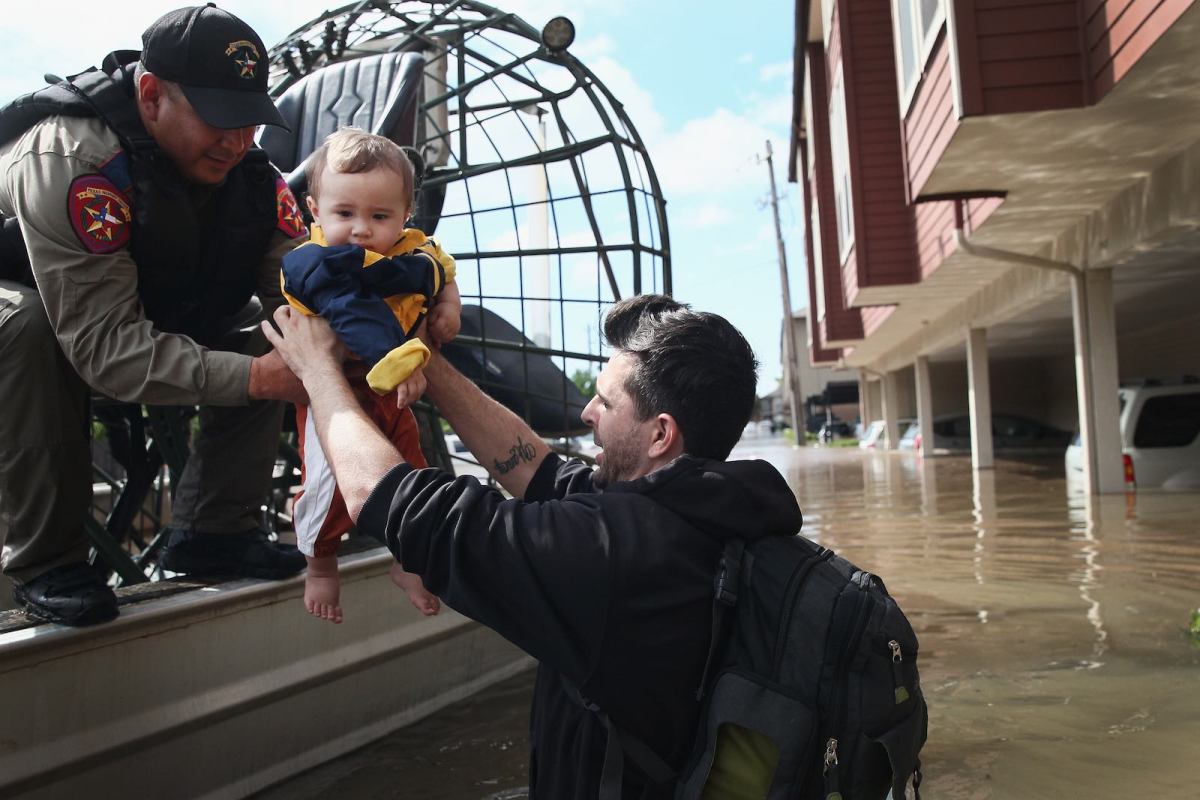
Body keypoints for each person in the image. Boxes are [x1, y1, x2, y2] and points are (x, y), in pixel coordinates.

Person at [263, 293, 805, 799]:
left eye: (604, 401)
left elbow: (390, 502)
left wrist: (318, 373)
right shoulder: (708, 509)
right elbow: (538, 470)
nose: (586, 413)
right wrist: (422, 360)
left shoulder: (611, 555)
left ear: (660, 434)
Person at [0, 5, 310, 627]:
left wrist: (424, 289)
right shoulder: (74, 160)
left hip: (145, 305)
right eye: (217, 119)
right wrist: (257, 380)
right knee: (30, 326)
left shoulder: (256, 175)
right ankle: (45, 564)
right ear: (150, 96)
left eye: (250, 121)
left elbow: (309, 288)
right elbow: (104, 345)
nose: (237, 140)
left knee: (278, 337)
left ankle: (214, 533)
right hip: (36, 314)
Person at [281, 127, 460, 624]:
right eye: (344, 214)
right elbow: (353, 310)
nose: (360, 229)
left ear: (405, 216)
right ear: (315, 211)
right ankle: (319, 562)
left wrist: (448, 309)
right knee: (326, 482)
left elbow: (442, 270)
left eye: (378, 216)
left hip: (395, 393)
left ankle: (406, 561)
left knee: (411, 468)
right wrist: (404, 356)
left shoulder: (412, 251)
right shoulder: (313, 262)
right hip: (335, 393)